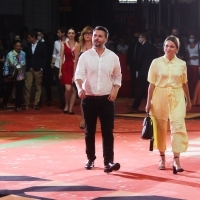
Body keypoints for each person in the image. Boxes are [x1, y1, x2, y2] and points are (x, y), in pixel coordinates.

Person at [75, 26, 122, 173]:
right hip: (88, 98)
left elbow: (118, 76)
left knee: (108, 131)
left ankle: (108, 162)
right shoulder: (85, 56)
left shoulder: (113, 57)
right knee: (90, 131)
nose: (96, 38)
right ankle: (90, 158)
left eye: (100, 36)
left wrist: (115, 90)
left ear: (106, 39)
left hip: (106, 100)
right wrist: (80, 88)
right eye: (95, 35)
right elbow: (78, 76)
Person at [145, 35, 192, 174]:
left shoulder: (182, 64)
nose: (168, 49)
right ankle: (162, 158)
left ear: (177, 49)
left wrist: (188, 100)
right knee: (160, 128)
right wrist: (148, 102)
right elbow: (151, 84)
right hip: (159, 96)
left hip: (177, 97)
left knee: (177, 126)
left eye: (172, 46)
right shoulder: (156, 62)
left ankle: (176, 160)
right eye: (166, 46)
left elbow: (185, 83)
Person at [127, 32, 157, 113]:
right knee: (152, 89)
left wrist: (136, 68)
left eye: (140, 37)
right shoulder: (153, 47)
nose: (139, 39)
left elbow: (139, 60)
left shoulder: (142, 47)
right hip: (152, 70)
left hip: (143, 71)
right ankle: (155, 107)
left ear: (143, 38)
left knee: (140, 89)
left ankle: (135, 106)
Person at [74, 26, 93, 129]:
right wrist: (75, 75)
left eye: (90, 33)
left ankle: (91, 118)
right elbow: (75, 61)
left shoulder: (96, 46)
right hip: (82, 74)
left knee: (94, 97)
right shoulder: (79, 46)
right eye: (86, 33)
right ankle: (83, 118)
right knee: (83, 97)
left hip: (94, 74)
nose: (87, 35)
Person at [23, 30, 47, 110]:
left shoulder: (42, 45)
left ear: (33, 37)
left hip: (38, 68)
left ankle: (36, 103)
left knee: (38, 87)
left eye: (29, 37)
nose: (28, 38)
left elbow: (45, 57)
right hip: (29, 68)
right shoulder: (28, 45)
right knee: (27, 86)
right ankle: (26, 103)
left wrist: (42, 67)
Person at [2, 40, 26, 112]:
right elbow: (6, 64)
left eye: (19, 46)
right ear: (14, 46)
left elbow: (23, 63)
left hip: (20, 74)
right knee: (9, 89)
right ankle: (4, 103)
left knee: (19, 91)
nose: (18, 47)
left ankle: (17, 106)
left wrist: (19, 66)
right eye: (17, 46)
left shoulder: (23, 53)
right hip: (11, 74)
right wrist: (6, 74)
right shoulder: (10, 54)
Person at [59, 28, 77, 114]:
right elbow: (61, 58)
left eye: (72, 33)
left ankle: (70, 108)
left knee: (74, 90)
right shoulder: (63, 44)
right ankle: (66, 104)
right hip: (66, 67)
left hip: (75, 67)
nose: (71, 34)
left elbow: (78, 58)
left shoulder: (78, 45)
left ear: (75, 34)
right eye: (69, 33)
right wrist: (60, 71)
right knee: (68, 88)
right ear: (67, 34)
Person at [51, 26, 68, 109]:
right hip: (57, 65)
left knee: (67, 86)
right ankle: (63, 103)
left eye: (59, 32)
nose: (57, 34)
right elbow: (54, 54)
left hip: (67, 65)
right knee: (60, 86)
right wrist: (52, 62)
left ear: (63, 33)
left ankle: (67, 102)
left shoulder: (69, 42)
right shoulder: (56, 42)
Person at [186, 33, 200, 99]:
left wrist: (196, 56)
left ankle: (195, 95)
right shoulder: (187, 46)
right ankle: (190, 95)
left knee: (195, 79)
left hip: (196, 64)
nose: (191, 39)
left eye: (192, 38)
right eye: (190, 37)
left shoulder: (198, 45)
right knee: (189, 79)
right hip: (189, 64)